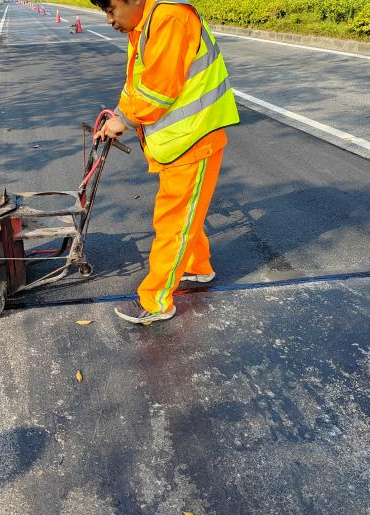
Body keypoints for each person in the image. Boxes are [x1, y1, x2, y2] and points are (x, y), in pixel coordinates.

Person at [92, 0, 240, 324]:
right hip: (181, 140)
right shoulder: (145, 23)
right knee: (186, 214)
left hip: (194, 139)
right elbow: (136, 84)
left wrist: (124, 121)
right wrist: (118, 116)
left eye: (111, 9)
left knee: (173, 223)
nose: (109, 20)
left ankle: (156, 301)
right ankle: (197, 267)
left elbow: (159, 91)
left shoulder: (169, 18)